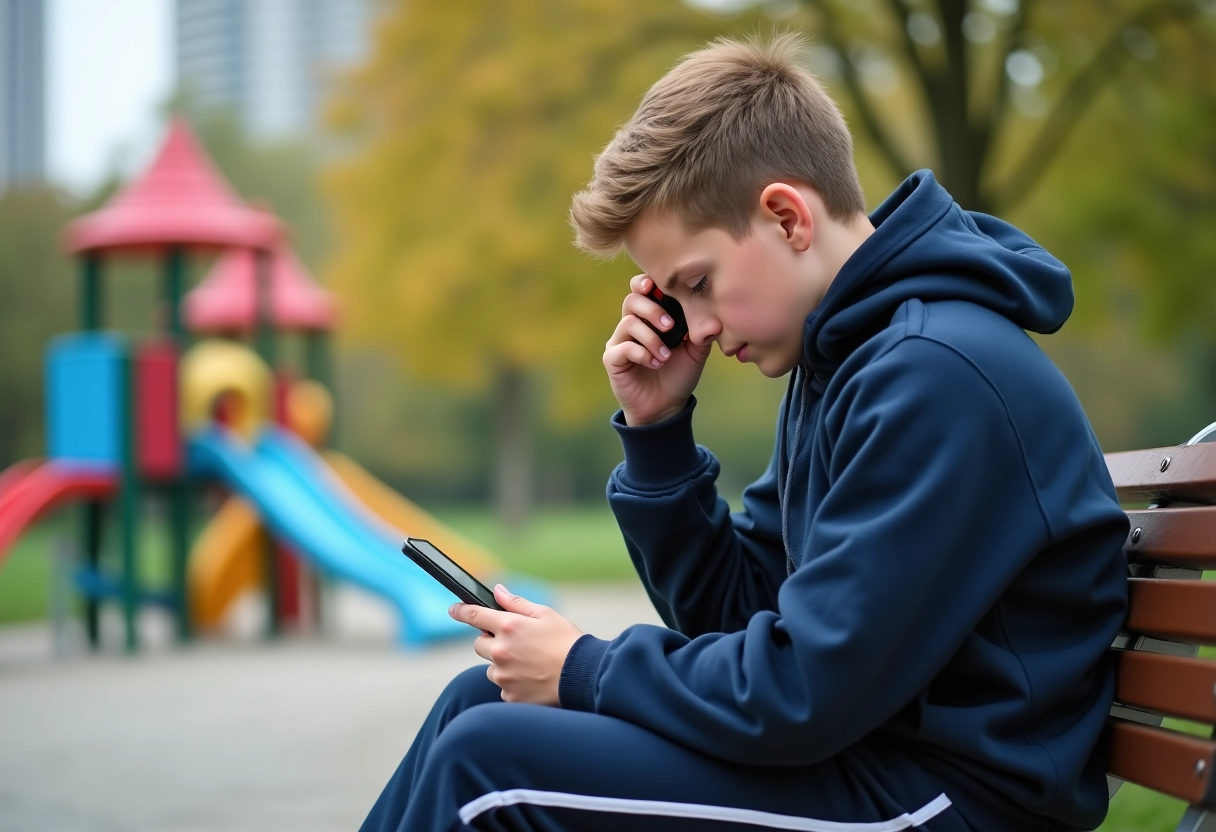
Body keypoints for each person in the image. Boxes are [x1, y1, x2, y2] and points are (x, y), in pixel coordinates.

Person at [360, 33, 1129, 832]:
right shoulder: (846, 362)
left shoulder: (935, 375)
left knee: (491, 764)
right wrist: (657, 432)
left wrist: (586, 667)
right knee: (475, 705)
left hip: (952, 800)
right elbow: (735, 615)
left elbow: (804, 691)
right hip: (866, 759)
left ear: (787, 217)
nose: (697, 328)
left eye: (699, 284)